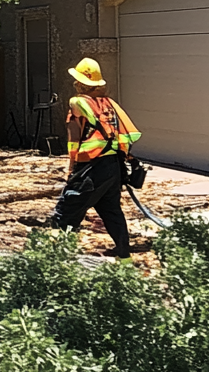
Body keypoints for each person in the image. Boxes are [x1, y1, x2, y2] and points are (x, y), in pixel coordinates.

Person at [48, 57, 142, 259]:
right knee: (112, 212)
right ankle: (124, 259)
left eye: (76, 81)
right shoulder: (109, 103)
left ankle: (58, 261)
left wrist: (71, 169)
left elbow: (74, 141)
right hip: (113, 168)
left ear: (81, 83)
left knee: (66, 212)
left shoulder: (77, 102)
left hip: (91, 168)